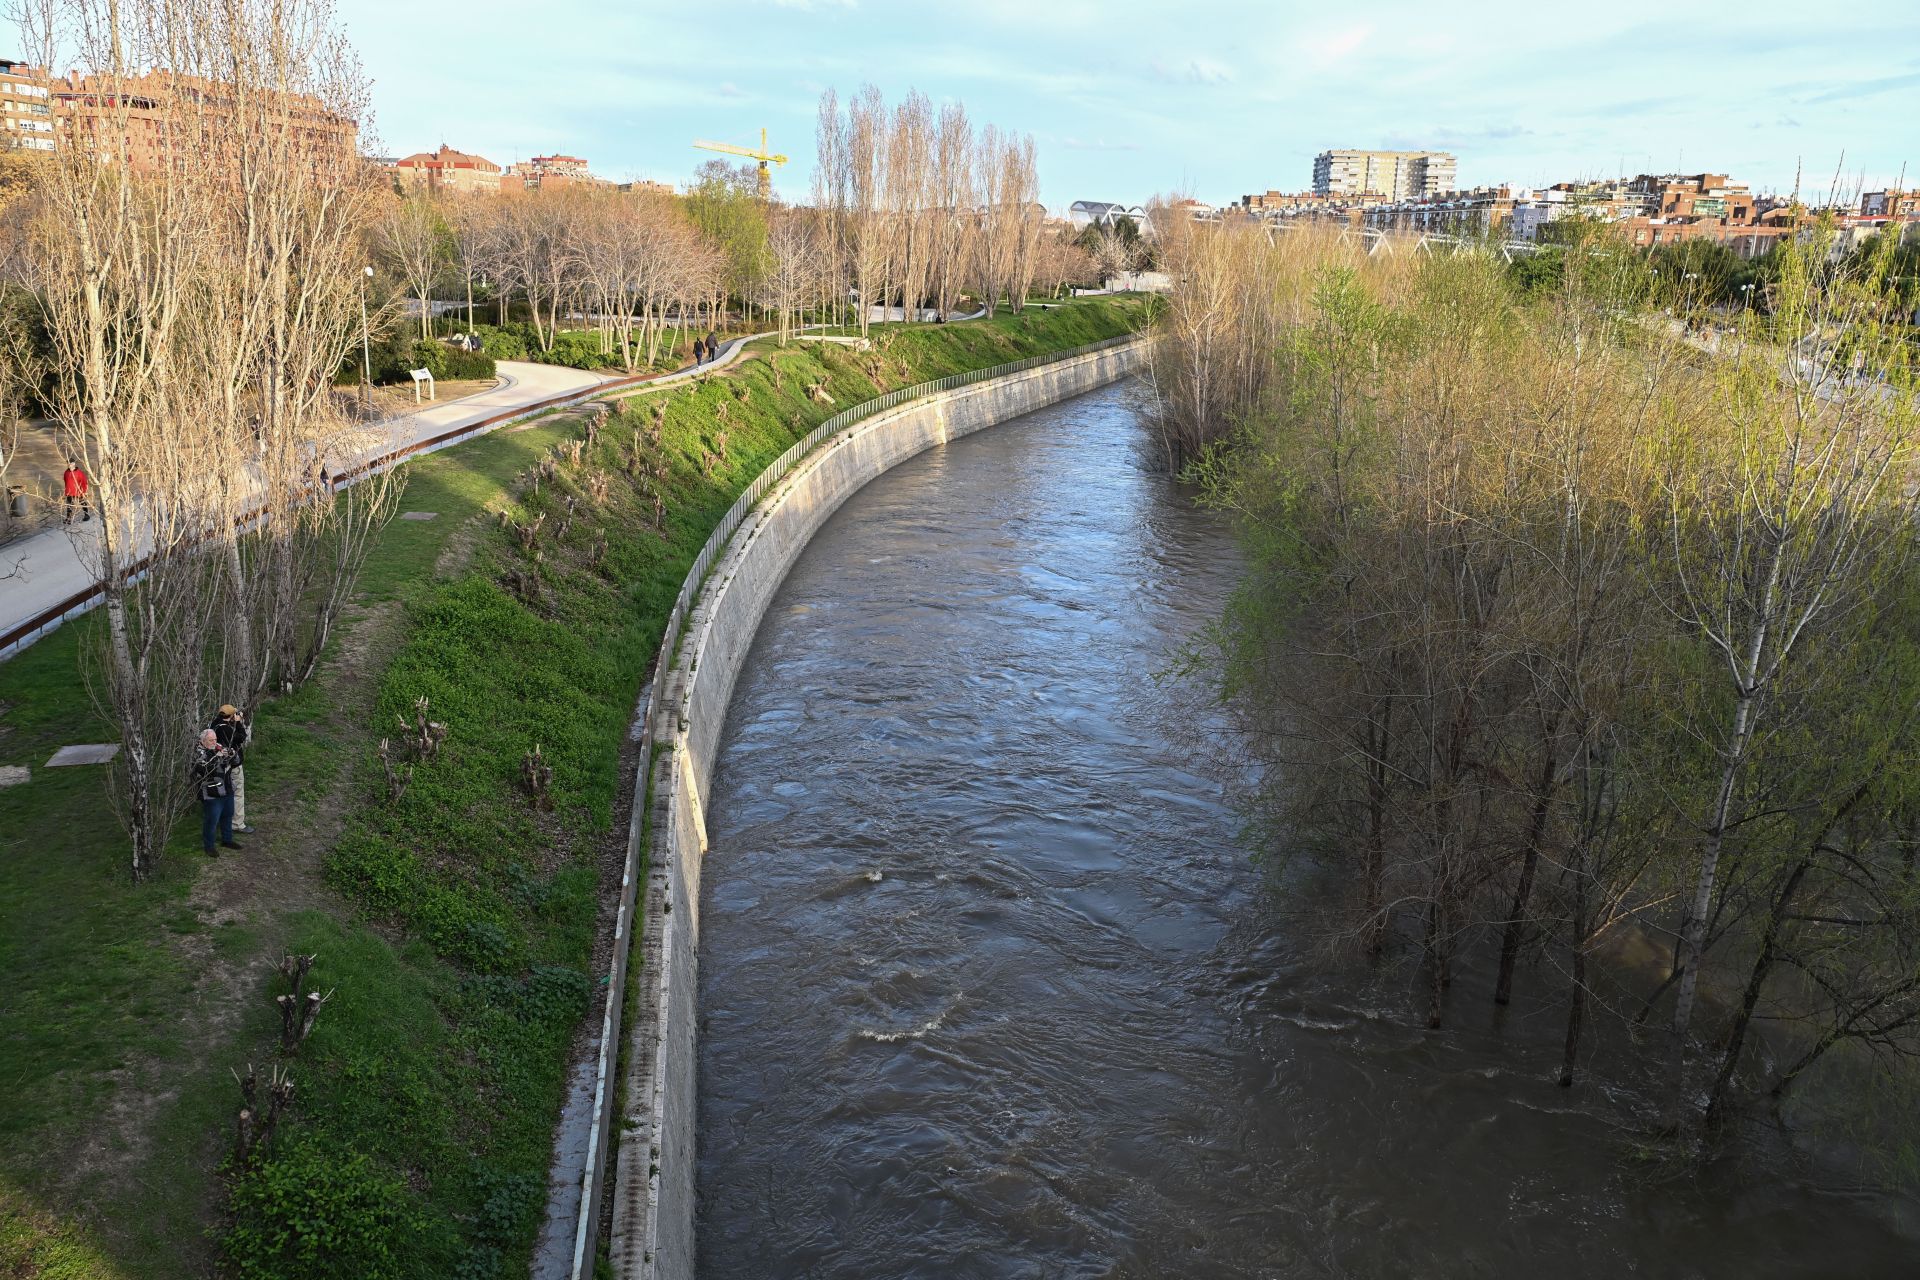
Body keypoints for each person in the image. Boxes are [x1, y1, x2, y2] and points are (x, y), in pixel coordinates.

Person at [192, 728, 241, 855]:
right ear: (203, 741)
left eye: (215, 739)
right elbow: (205, 770)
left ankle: (227, 840)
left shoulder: (219, 748)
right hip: (211, 793)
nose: (214, 742)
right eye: (210, 740)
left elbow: (236, 763)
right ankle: (209, 846)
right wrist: (217, 758)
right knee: (211, 821)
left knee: (227, 816)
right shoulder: (198, 753)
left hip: (226, 789)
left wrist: (233, 755)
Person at [211, 704, 254, 834]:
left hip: (219, 766)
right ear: (230, 717)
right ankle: (237, 823)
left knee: (223, 794)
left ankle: (221, 819)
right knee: (237, 794)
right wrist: (239, 723)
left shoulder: (214, 725)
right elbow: (241, 737)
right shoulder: (227, 729)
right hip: (233, 766)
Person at [61, 460, 90, 524]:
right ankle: (69, 518)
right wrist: (66, 491)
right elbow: (65, 481)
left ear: (74, 463)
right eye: (68, 463)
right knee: (69, 505)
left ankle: (87, 515)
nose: (69, 464)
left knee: (82, 502)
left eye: (70, 463)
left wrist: (84, 491)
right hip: (69, 491)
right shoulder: (66, 472)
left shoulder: (79, 472)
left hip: (78, 491)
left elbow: (84, 482)